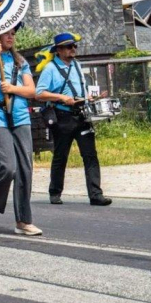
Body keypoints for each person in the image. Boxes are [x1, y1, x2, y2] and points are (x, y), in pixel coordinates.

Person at [0, 25, 42, 236]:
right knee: (8, 166)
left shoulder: (20, 60)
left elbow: (31, 91)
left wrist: (13, 89)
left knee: (25, 169)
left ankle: (23, 220)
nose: (11, 37)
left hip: (20, 116)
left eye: (13, 34)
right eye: (7, 33)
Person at [35, 33, 112, 207]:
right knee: (61, 156)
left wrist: (91, 98)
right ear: (59, 50)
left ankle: (96, 194)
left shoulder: (77, 65)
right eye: (69, 47)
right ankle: (55, 192)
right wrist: (62, 98)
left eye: (74, 46)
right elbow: (39, 94)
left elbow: (80, 91)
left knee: (90, 155)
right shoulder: (50, 69)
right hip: (62, 116)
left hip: (81, 114)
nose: (73, 49)